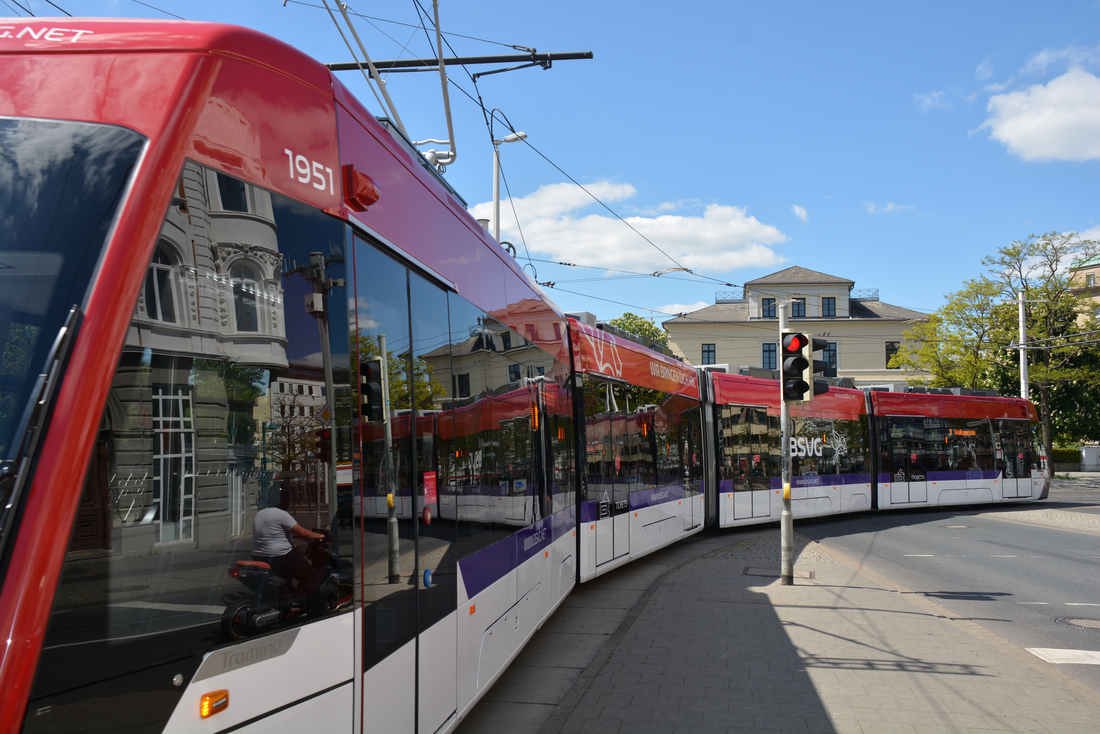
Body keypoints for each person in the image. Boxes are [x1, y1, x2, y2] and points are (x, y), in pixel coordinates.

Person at [252, 484, 326, 606]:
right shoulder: (281, 515)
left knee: (284, 581)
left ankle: (288, 602)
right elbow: (304, 533)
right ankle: (311, 609)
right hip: (281, 557)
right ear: (284, 499)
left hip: (259, 557)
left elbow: (272, 534)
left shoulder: (259, 513)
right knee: (312, 578)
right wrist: (321, 536)